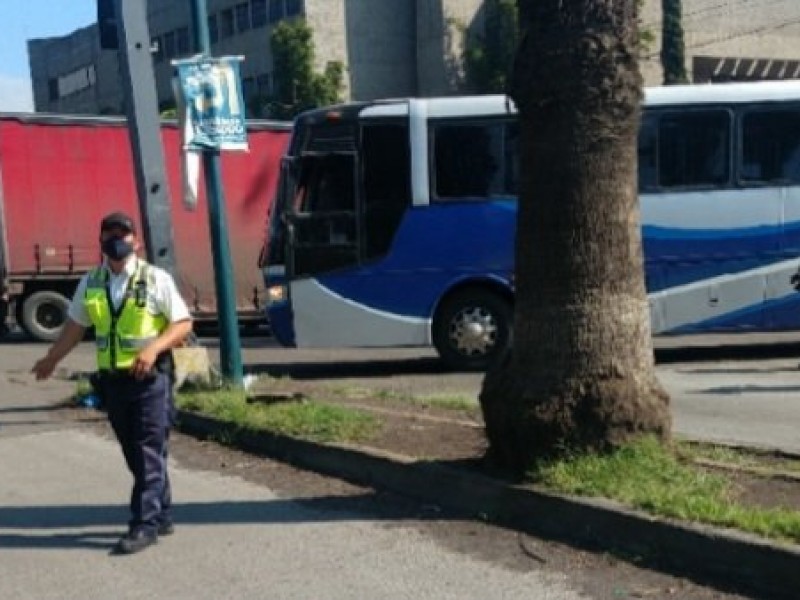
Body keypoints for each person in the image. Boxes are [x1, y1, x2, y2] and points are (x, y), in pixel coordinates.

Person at [32, 211, 193, 555]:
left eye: (123, 234)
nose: (116, 240)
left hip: (150, 379)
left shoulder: (155, 279)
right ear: (101, 240)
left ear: (137, 241)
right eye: (109, 234)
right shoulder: (91, 282)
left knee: (148, 449)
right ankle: (161, 512)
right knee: (136, 453)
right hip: (114, 383)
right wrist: (51, 359)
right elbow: (75, 327)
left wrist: (153, 348)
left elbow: (182, 324)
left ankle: (144, 524)